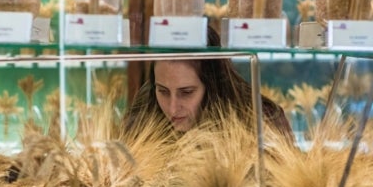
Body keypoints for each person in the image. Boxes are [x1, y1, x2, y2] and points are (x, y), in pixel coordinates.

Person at [123, 27, 291, 139]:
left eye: (187, 92)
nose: (173, 108)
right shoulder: (141, 118)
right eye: (163, 91)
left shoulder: (262, 121)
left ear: (213, 84)